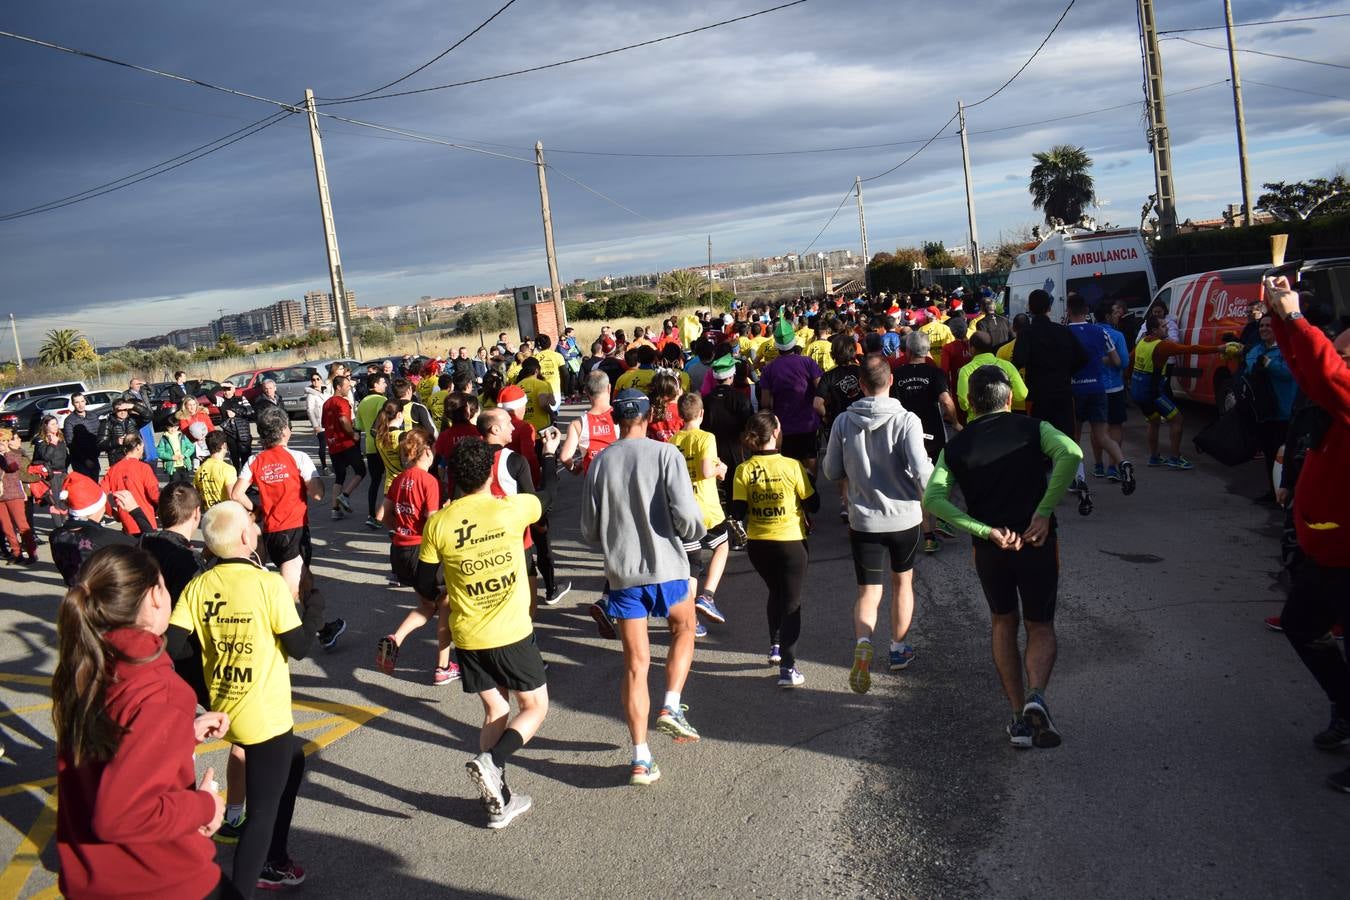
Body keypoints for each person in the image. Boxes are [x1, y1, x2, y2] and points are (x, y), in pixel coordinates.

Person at [53, 545, 230, 900]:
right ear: (153, 597)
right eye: (164, 586)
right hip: (160, 879)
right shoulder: (161, 690)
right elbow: (123, 814)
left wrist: (182, 734)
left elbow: (116, 746)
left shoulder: (88, 663)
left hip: (91, 878)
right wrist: (205, 806)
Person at [922, 365, 1082, 749]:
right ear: (1010, 398)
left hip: (992, 548)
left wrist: (983, 530)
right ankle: (1037, 696)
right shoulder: (1033, 428)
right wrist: (1043, 511)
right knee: (1040, 625)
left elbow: (933, 500)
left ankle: (1017, 718)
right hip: (1037, 541)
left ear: (969, 404)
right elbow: (1072, 453)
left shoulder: (956, 446)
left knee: (1002, 623)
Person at [167, 501, 324, 892]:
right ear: (243, 537)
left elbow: (172, 645)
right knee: (262, 814)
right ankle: (259, 874)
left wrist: (210, 675)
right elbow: (301, 646)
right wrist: (317, 606)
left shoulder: (200, 584)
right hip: (264, 717)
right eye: (251, 522)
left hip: (225, 703)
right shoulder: (267, 583)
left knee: (293, 760)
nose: (256, 527)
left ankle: (276, 856)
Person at [416, 434, 561, 828]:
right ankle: (492, 761)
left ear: (453, 477)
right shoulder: (511, 509)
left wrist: (444, 590)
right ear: (490, 473)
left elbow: (423, 581)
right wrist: (548, 454)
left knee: (496, 709)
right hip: (511, 631)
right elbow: (547, 496)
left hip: (467, 634)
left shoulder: (439, 524)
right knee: (534, 707)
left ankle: (498, 800)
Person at [580, 389, 706, 785]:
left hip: (623, 575)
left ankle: (640, 757)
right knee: (684, 627)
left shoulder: (600, 462)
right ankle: (671, 704)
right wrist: (693, 532)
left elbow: (587, 530)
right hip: (667, 566)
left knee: (635, 666)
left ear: (616, 418)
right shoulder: (666, 453)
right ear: (651, 415)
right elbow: (687, 516)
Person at [1264, 277, 1350, 793]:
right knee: (1302, 625)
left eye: (1347, 352)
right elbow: (1307, 368)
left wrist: (1298, 319)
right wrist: (1279, 316)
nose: (1339, 356)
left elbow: (1325, 372)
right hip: (1327, 553)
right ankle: (1345, 707)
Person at [822, 356, 930, 692]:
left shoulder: (843, 421)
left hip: (864, 519)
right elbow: (921, 471)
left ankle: (864, 642)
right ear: (891, 380)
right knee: (903, 583)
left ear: (861, 386)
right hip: (904, 517)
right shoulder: (907, 420)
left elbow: (830, 472)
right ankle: (898, 649)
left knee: (868, 590)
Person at [228, 409, 339, 660]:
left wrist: (255, 508)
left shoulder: (254, 461)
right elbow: (318, 493)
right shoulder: (298, 457)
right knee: (288, 594)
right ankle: (261, 645)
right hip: (295, 532)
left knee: (304, 581)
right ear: (286, 431)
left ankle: (323, 629)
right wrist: (316, 481)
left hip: (272, 533)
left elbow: (236, 494)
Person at [732, 411, 819, 687]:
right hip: (791, 542)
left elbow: (737, 511)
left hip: (759, 544)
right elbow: (814, 504)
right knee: (791, 602)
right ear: (776, 432)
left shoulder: (743, 469)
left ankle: (775, 647)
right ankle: (788, 669)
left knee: (776, 592)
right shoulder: (792, 466)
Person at [375, 428, 461, 685]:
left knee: (427, 605)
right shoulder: (428, 481)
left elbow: (382, 515)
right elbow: (432, 521)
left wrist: (400, 529)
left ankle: (395, 639)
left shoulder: (400, 479)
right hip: (422, 551)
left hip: (399, 549)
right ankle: (443, 666)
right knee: (445, 604)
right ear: (426, 451)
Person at [1129, 317, 1238, 469]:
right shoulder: (1163, 346)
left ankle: (1154, 458)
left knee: (1153, 422)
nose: (1167, 328)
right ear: (1154, 330)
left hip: (1137, 392)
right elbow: (1191, 349)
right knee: (1177, 420)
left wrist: (1128, 382)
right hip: (1152, 393)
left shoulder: (1142, 342)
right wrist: (1218, 348)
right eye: (1163, 326)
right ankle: (1175, 458)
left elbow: (1129, 361)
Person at [138, 482, 210, 707]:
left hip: (148, 641)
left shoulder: (144, 542)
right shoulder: (189, 559)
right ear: (197, 513)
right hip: (185, 647)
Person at [889, 332, 959, 553]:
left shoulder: (896, 374)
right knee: (940, 476)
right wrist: (955, 422)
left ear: (907, 351)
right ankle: (939, 519)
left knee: (918, 483)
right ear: (927, 352)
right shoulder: (935, 372)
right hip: (934, 432)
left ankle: (929, 536)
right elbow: (946, 401)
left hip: (906, 434)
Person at [671, 392, 731, 632]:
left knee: (692, 562)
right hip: (706, 508)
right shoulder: (706, 437)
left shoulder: (673, 440)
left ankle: (691, 621)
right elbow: (706, 470)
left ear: (680, 415)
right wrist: (720, 469)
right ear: (702, 414)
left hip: (683, 509)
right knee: (722, 546)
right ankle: (707, 596)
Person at [1066, 293, 1135, 497]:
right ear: (1087, 312)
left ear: (1068, 311)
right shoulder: (1100, 332)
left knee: (1075, 437)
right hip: (1098, 388)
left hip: (1075, 389)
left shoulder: (1063, 334)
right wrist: (1096, 361)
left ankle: (1079, 480)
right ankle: (1122, 462)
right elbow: (1115, 361)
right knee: (1103, 435)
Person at [48, 472, 150, 585]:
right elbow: (152, 543)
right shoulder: (103, 537)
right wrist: (135, 510)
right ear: (98, 507)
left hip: (77, 593)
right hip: (104, 597)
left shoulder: (55, 535)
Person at [1012, 289, 1088, 438]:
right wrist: (1066, 372)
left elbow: (1018, 361)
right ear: (1049, 308)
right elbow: (1083, 357)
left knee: (1040, 439)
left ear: (1029, 308)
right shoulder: (1062, 331)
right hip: (1062, 392)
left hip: (1037, 395)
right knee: (1064, 439)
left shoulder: (1026, 333)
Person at [758, 311, 824, 475]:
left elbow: (765, 402)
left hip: (783, 426)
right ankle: (811, 489)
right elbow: (820, 388)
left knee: (788, 463)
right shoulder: (808, 362)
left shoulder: (769, 369)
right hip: (808, 422)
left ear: (777, 345)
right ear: (794, 341)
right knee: (810, 458)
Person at [1243, 315, 1297, 497]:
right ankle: (1273, 490)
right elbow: (1249, 367)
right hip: (1265, 411)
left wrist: (1268, 363)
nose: (1264, 329)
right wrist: (1260, 363)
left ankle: (1287, 490)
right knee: (1269, 453)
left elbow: (1288, 373)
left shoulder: (1286, 349)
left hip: (1286, 411)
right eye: (1261, 326)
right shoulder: (1257, 349)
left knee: (1286, 454)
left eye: (1268, 325)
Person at [1093, 302, 1131, 480]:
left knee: (1097, 427)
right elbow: (1123, 362)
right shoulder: (1117, 335)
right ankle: (1113, 467)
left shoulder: (1090, 333)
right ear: (1108, 316)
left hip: (1094, 386)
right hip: (1114, 387)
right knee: (1115, 425)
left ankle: (1098, 465)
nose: (1118, 315)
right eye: (1115, 312)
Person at [322, 374, 366, 520]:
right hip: (345, 443)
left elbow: (324, 424)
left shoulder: (327, 403)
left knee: (339, 476)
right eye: (347, 386)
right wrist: (352, 434)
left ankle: (334, 510)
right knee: (361, 470)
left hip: (332, 444)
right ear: (339, 387)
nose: (349, 388)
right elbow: (342, 419)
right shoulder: (342, 402)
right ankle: (345, 495)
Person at [100, 432, 160, 536]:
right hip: (146, 520)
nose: (143, 450)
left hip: (126, 522)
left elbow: (100, 494)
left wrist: (113, 513)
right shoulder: (143, 468)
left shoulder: (113, 469)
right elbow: (154, 494)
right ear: (137, 447)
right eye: (142, 447)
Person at [1, 427, 39, 564]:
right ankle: (16, 553)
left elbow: (12, 467)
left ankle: (32, 553)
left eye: (5, 441)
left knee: (22, 525)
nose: (2, 443)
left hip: (14, 494)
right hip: (0, 496)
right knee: (6, 527)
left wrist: (5, 452)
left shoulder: (15, 454)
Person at [356, 373, 390, 523]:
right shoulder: (382, 400)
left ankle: (371, 514)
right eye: (383, 382)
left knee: (375, 481)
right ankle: (387, 513)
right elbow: (384, 423)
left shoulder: (362, 402)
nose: (386, 385)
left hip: (370, 446)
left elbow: (359, 426)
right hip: (383, 445)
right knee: (390, 479)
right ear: (375, 385)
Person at [31, 414, 69, 522]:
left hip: (62, 473)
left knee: (64, 500)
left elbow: (64, 456)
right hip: (51, 476)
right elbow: (45, 456)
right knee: (55, 501)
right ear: (45, 426)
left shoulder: (60, 437)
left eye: (56, 423)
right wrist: (52, 443)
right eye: (52, 424)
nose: (56, 426)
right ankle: (59, 527)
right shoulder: (40, 440)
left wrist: (65, 469)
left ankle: (66, 524)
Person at [98, 396, 146, 468]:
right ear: (114, 411)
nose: (123, 412)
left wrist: (133, 406)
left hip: (136, 458)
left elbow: (148, 415)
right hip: (117, 460)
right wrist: (117, 442)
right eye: (119, 410)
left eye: (125, 409)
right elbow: (100, 444)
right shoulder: (107, 423)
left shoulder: (133, 420)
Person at [64, 392, 103, 479]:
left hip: (94, 458)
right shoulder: (69, 421)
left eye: (82, 401)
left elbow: (99, 435)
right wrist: (85, 460)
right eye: (77, 402)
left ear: (85, 401)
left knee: (95, 487)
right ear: (73, 404)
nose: (80, 405)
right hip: (80, 462)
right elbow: (70, 444)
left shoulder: (93, 416)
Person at [195, 431, 238, 509]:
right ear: (224, 445)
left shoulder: (199, 470)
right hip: (225, 515)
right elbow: (233, 497)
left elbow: (197, 497)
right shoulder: (227, 469)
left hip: (208, 516)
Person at [217, 382, 254, 471]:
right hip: (230, 434)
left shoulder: (241, 398)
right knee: (234, 461)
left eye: (229, 389)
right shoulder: (221, 401)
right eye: (224, 390)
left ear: (234, 389)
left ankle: (248, 483)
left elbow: (251, 412)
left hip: (243, 433)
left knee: (246, 460)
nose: (227, 392)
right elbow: (209, 394)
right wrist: (220, 386)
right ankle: (235, 480)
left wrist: (236, 413)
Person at [157, 418, 196, 483]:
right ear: (167, 427)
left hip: (184, 464)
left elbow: (191, 447)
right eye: (170, 427)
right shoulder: (164, 439)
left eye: (175, 427)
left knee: (186, 484)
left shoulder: (182, 436)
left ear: (178, 427)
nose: (173, 429)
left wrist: (185, 455)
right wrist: (171, 457)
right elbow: (159, 452)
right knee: (174, 484)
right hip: (172, 466)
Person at [305, 371, 329, 474]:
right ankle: (324, 467)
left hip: (330, 422)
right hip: (320, 424)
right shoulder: (311, 395)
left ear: (321, 379)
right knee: (323, 444)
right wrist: (315, 425)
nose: (315, 381)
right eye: (313, 380)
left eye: (317, 379)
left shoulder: (326, 391)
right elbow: (309, 410)